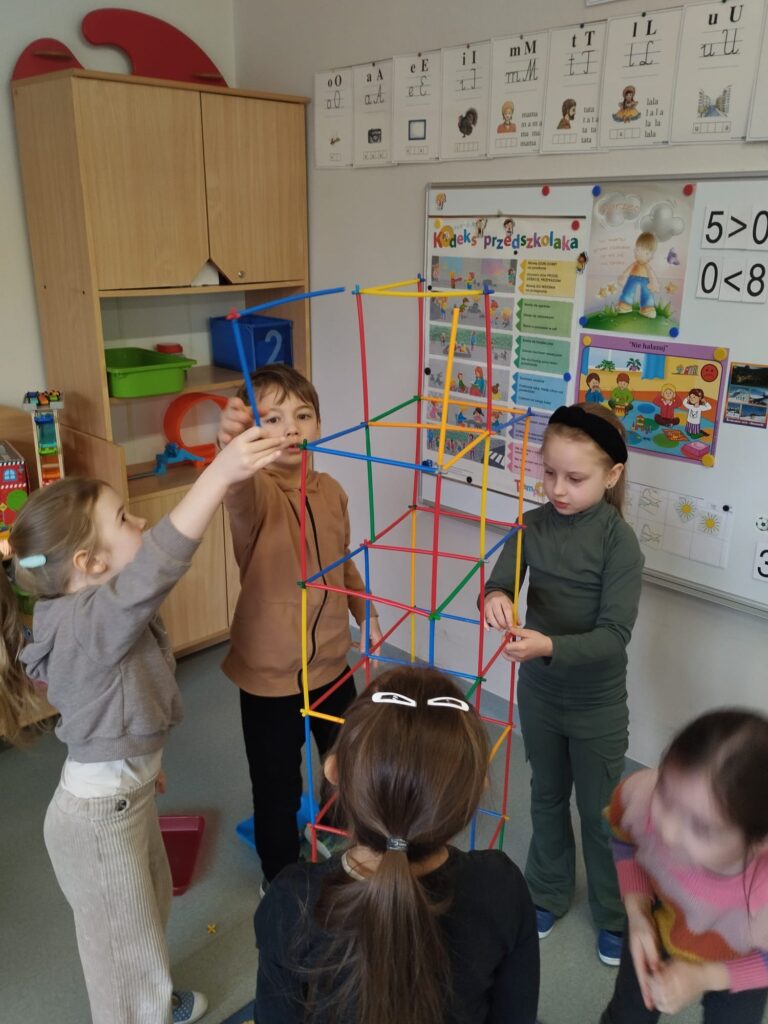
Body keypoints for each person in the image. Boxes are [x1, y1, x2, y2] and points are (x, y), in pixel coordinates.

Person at [0, 427, 286, 1024]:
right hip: (98, 823)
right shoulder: (88, 624)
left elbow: (107, 712)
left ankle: (151, 998)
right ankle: (137, 1012)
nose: (141, 524)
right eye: (125, 519)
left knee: (147, 911)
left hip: (123, 797)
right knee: (118, 950)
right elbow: (158, 564)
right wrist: (218, 474)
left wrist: (145, 767)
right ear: (90, 563)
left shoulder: (92, 617)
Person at [253, 666, 540, 1024]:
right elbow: (516, 1014)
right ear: (477, 787)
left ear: (334, 771)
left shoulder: (291, 900)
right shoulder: (502, 886)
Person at [482, 403, 644, 966]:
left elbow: (614, 637)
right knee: (546, 796)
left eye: (575, 478)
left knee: (601, 813)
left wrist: (548, 646)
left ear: (612, 475)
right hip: (541, 695)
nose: (557, 488)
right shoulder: (531, 525)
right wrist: (495, 598)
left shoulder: (619, 543)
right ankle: (547, 890)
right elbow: (500, 582)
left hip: (596, 703)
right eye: (548, 472)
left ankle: (616, 914)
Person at [217, 365, 382, 888]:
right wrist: (231, 450)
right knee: (277, 787)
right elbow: (237, 488)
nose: (291, 428)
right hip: (269, 678)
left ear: (318, 424)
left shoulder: (332, 491)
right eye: (272, 419)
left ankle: (337, 835)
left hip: (332, 664)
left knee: (349, 763)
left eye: (303, 415)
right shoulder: (256, 494)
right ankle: (280, 878)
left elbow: (341, 559)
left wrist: (365, 611)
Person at [601, 708, 768, 1023]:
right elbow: (625, 840)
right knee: (626, 1015)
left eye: (702, 828)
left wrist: (705, 977)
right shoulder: (642, 798)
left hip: (741, 959)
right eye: (665, 794)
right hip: (658, 925)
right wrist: (637, 912)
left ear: (758, 841)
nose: (668, 831)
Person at [617, 233, 659, 319]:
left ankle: (647, 307)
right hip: (632, 276)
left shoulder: (647, 266)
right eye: (637, 250)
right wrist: (623, 277)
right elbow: (628, 270)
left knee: (646, 292)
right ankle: (625, 304)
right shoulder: (634, 264)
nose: (638, 253)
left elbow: (651, 274)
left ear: (651, 255)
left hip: (645, 279)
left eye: (647, 253)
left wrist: (654, 283)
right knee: (628, 289)